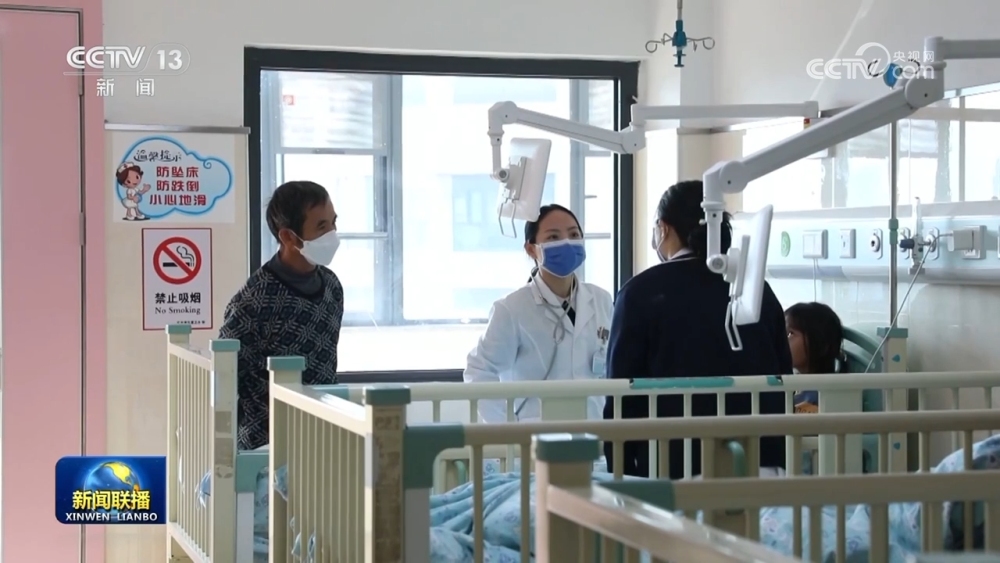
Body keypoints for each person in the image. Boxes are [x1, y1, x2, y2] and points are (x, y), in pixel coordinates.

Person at [604, 180, 793, 478]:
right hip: (759, 460)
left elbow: (621, 393)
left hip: (672, 464)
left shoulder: (639, 293)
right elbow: (782, 376)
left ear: (663, 228)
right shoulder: (755, 290)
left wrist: (622, 472)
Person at [220, 180, 345, 450]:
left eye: (333, 223)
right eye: (321, 227)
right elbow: (226, 376)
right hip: (266, 444)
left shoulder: (332, 287)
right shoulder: (254, 301)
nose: (332, 234)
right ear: (289, 237)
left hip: (322, 431)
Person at [464, 204, 614, 423]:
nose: (566, 243)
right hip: (533, 435)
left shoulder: (601, 299)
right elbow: (479, 371)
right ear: (531, 249)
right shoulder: (512, 309)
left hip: (595, 430)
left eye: (574, 235)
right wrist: (507, 429)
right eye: (553, 237)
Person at [784, 302, 848, 413]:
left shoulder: (821, 398)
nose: (782, 340)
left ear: (820, 344)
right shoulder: (799, 384)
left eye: (790, 334)